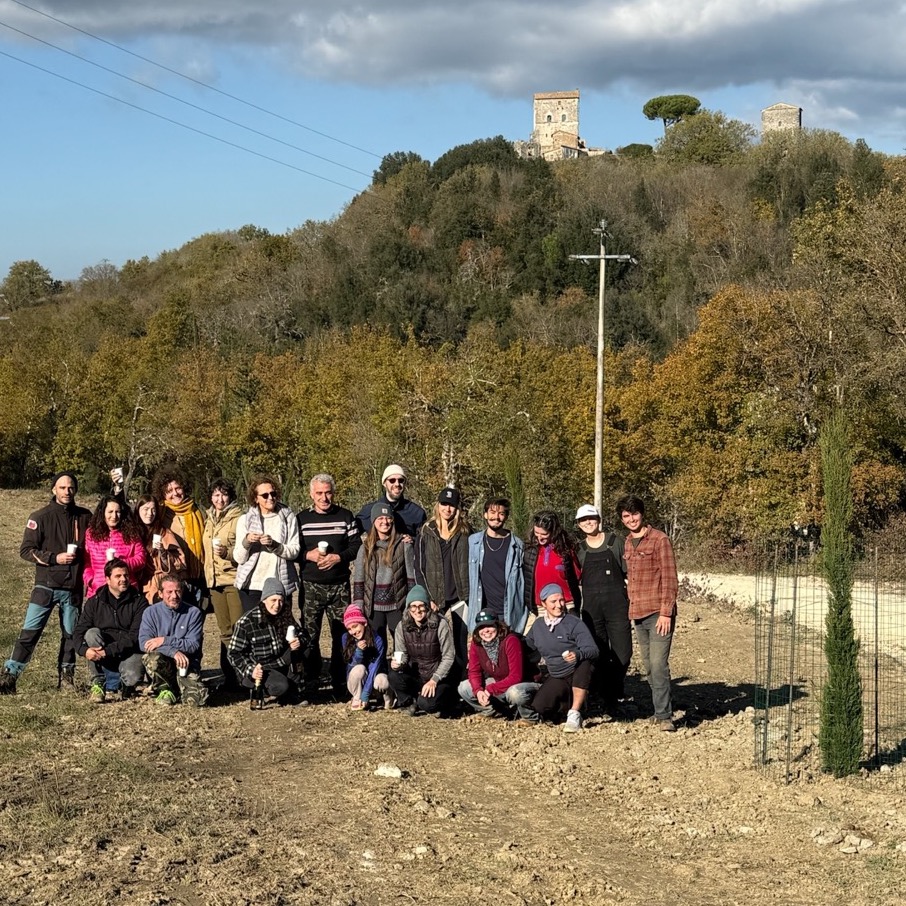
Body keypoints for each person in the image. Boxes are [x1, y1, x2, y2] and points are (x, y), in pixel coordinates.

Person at [0, 471, 92, 693]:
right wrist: (54, 558)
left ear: (75, 490)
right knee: (30, 631)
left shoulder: (85, 517)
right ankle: (9, 677)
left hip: (73, 588)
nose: (67, 491)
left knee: (70, 634)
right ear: (54, 490)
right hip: (46, 586)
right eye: (62, 488)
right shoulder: (40, 517)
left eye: (70, 487)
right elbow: (26, 550)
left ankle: (67, 678)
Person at [296, 473, 362, 699]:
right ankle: (311, 684)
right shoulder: (301, 519)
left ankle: (340, 683)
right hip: (311, 586)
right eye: (319, 493)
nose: (324, 498)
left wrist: (339, 558)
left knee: (342, 636)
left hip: (339, 587)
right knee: (309, 637)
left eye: (328, 492)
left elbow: (356, 546)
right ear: (311, 494)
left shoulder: (345, 516)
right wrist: (308, 555)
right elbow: (293, 551)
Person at [617, 494, 679, 732]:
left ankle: (665, 716)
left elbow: (670, 577)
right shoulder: (626, 543)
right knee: (648, 666)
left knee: (658, 662)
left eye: (634, 514)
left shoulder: (659, 540)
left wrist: (666, 612)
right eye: (626, 516)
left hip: (657, 612)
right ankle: (659, 708)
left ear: (642, 514)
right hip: (638, 612)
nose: (631, 519)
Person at [575, 504, 632, 715]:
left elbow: (629, 573)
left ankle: (614, 690)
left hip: (617, 608)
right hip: (592, 611)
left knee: (623, 654)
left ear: (599, 519)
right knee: (598, 654)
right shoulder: (578, 549)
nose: (588, 522)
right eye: (583, 520)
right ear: (579, 525)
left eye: (591, 518)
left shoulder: (615, 542)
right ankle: (607, 699)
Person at [524, 583, 599, 732]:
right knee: (539, 707)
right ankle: (567, 705)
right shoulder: (538, 626)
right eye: (553, 601)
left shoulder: (574, 623)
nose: (559, 605)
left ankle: (575, 713)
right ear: (544, 604)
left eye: (561, 600)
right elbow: (527, 647)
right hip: (557, 674)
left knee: (585, 664)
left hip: (577, 671)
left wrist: (578, 654)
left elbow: (593, 650)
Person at [73, 559, 147, 703]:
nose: (123, 579)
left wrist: (108, 651)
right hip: (102, 648)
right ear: (107, 579)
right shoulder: (94, 602)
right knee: (91, 633)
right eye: (118, 576)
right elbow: (78, 632)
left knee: (133, 678)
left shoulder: (139, 602)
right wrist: (83, 650)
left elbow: (135, 636)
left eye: (126, 575)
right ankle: (98, 682)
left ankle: (123, 684)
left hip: (129, 650)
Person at [414, 487, 471, 673]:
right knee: (436, 641)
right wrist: (427, 598)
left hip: (461, 596)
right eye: (444, 504)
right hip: (435, 598)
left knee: (460, 641)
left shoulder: (466, 531)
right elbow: (419, 568)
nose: (448, 509)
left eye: (452, 505)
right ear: (437, 506)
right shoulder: (425, 532)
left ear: (457, 509)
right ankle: (437, 681)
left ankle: (461, 681)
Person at [227, 577, 306, 705]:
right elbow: (233, 653)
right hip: (259, 667)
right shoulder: (246, 621)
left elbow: (302, 634)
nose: (277, 605)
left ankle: (293, 692)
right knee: (280, 686)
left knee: (305, 650)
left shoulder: (285, 615)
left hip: (279, 662)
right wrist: (250, 669)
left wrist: (298, 641)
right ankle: (260, 691)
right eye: (273, 600)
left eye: (280, 601)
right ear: (264, 600)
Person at [233, 475, 301, 614]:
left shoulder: (288, 517)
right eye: (265, 495)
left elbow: (295, 551)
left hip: (279, 584)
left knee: (281, 629)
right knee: (255, 630)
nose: (270, 497)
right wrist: (247, 541)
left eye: (273, 493)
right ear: (255, 498)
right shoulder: (245, 520)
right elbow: (239, 558)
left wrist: (275, 545)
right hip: (252, 586)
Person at [457, 610, 540, 723]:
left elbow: (516, 677)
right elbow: (474, 671)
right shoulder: (476, 643)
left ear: (498, 625)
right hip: (499, 681)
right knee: (464, 688)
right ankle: (493, 711)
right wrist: (478, 690)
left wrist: (490, 689)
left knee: (515, 693)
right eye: (481, 627)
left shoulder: (510, 640)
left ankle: (530, 717)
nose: (485, 631)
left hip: (523, 683)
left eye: (489, 626)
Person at [352, 502, 415, 646]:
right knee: (376, 645)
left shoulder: (404, 545)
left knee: (402, 644)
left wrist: (410, 605)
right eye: (380, 518)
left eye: (388, 518)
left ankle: (400, 668)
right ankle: (380, 669)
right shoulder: (365, 548)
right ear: (373, 522)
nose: (385, 522)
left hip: (397, 606)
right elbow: (359, 581)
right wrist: (359, 608)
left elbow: (411, 579)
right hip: (373, 608)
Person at [139, 574, 207, 706]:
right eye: (169, 592)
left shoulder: (193, 613)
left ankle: (181, 687)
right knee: (152, 658)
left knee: (197, 701)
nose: (174, 596)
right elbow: (144, 644)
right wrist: (173, 651)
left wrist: (164, 640)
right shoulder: (150, 612)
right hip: (163, 663)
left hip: (186, 663)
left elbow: (193, 645)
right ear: (160, 594)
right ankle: (164, 688)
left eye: (178, 591)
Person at [388, 586, 456, 716]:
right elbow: (402, 655)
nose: (417, 610)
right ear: (408, 608)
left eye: (421, 606)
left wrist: (434, 679)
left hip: (438, 676)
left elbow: (449, 657)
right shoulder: (401, 627)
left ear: (427, 606)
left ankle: (441, 701)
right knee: (393, 676)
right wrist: (397, 664)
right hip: (416, 675)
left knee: (427, 705)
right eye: (413, 606)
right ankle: (409, 702)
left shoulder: (441, 624)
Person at [202, 478, 242, 689]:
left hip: (233, 580)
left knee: (237, 629)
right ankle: (229, 676)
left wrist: (228, 554)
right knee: (224, 630)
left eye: (224, 494)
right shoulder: (207, 518)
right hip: (213, 581)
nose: (220, 499)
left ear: (231, 497)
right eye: (216, 495)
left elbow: (245, 551)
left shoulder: (239, 518)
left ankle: (242, 674)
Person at [465, 498, 527, 633]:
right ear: (485, 514)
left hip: (509, 613)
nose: (496, 517)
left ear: (506, 517)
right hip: (482, 611)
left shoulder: (517, 545)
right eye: (492, 512)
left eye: (501, 513)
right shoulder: (473, 543)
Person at [151, 464, 206, 602]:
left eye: (178, 488)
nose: (175, 493)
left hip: (199, 577)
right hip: (174, 578)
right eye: (169, 491)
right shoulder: (161, 514)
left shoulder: (198, 511)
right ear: (163, 494)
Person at [82, 495, 147, 598]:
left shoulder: (132, 533)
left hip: (126, 589)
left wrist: (120, 564)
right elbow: (86, 561)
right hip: (98, 589)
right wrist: (90, 579)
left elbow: (141, 558)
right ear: (103, 513)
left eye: (118, 512)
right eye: (110, 512)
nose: (114, 516)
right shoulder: (91, 533)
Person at [523, 510, 581, 615]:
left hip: (565, 604)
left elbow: (577, 575)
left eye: (544, 534)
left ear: (554, 531)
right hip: (541, 607)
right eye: (537, 533)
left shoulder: (566, 550)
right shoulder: (529, 549)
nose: (539, 537)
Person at [133, 493, 187, 604]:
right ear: (138, 510)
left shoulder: (164, 533)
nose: (150, 514)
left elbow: (180, 562)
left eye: (153, 510)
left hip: (162, 585)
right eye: (146, 509)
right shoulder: (132, 533)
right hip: (141, 585)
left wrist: (163, 552)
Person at [341, 604, 393, 711]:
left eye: (355, 626)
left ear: (364, 623)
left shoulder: (377, 640)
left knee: (382, 681)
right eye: (349, 629)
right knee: (359, 669)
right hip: (356, 680)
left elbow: (375, 666)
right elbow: (351, 664)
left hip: (375, 676)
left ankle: (388, 699)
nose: (353, 632)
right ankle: (357, 697)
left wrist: (366, 693)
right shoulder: (345, 638)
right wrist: (359, 651)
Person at [356, 463, 426, 537]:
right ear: (384, 483)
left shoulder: (417, 513)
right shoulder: (368, 511)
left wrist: (412, 540)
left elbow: (424, 542)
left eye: (401, 480)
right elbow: (353, 540)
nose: (397, 484)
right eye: (392, 480)